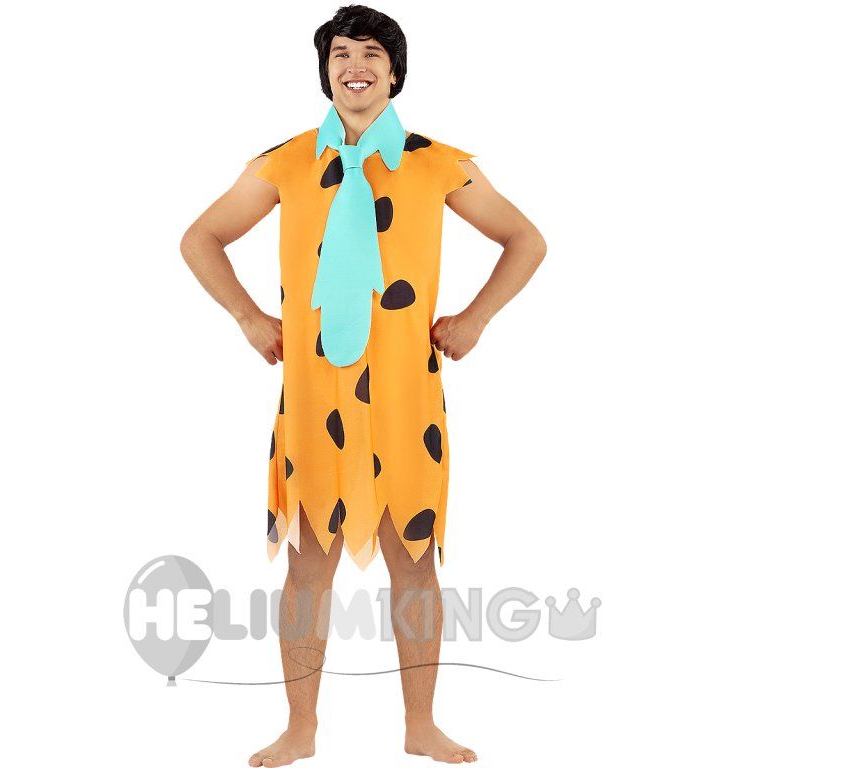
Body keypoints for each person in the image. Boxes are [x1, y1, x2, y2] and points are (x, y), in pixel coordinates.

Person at [180, 5, 546, 765]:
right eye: (341, 53)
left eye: (372, 54)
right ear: (326, 71)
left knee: (413, 561)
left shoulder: (437, 162)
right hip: (316, 393)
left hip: (407, 393)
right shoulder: (284, 163)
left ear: (394, 72)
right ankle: (300, 728)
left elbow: (525, 238)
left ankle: (421, 725)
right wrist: (249, 317)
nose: (356, 66)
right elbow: (200, 237)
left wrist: (475, 319)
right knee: (308, 561)